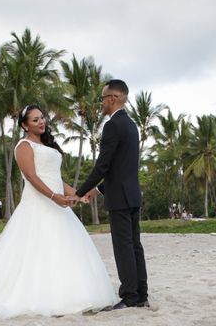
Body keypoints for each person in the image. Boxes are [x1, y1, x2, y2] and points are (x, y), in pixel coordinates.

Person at [0, 105, 116, 319]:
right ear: (25, 125)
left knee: (64, 247)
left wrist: (78, 194)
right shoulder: (23, 146)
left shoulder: (47, 145)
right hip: (38, 204)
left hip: (59, 205)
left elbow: (56, 178)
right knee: (35, 250)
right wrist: (54, 197)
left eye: (42, 118)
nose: (41, 122)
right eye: (35, 120)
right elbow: (32, 177)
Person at [73, 79, 149, 310]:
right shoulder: (131, 125)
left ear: (113, 98)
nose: (101, 103)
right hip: (132, 195)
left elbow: (103, 165)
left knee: (123, 247)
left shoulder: (112, 126)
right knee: (135, 246)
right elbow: (121, 169)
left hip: (120, 199)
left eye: (103, 98)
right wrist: (96, 190)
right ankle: (141, 295)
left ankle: (129, 297)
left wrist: (80, 192)